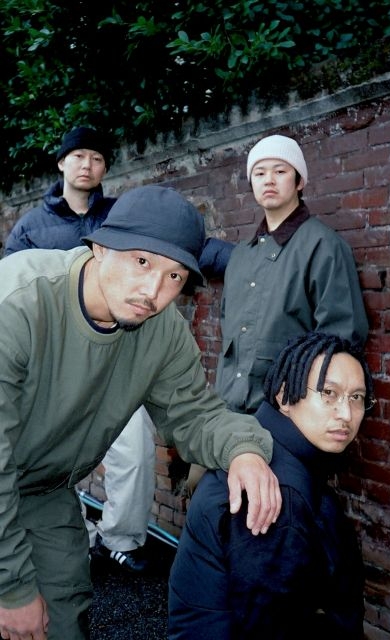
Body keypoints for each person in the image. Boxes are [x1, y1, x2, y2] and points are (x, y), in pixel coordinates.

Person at [0, 184, 281, 640]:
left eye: (174, 276)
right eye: (142, 261)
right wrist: (12, 589)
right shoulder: (17, 302)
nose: (153, 291)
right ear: (99, 247)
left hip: (43, 490)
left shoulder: (161, 330)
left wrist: (244, 450)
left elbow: (195, 414)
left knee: (64, 619)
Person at [4, 125, 156, 574]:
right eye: (78, 156)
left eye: (96, 157)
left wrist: (241, 258)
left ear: (105, 167)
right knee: (51, 454)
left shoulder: (121, 217)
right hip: (52, 362)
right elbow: (12, 291)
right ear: (61, 163)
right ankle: (78, 536)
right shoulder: (32, 227)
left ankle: (121, 539)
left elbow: (167, 255)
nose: (87, 165)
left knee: (136, 448)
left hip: (116, 355)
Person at [187, 133, 369, 491]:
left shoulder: (323, 245)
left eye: (280, 171)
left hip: (284, 418)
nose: (268, 180)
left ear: (299, 181)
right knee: (201, 489)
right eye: (259, 173)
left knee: (264, 507)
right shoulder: (241, 255)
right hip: (228, 411)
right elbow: (230, 337)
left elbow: (342, 339)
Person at [168, 331, 376, 639]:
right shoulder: (276, 499)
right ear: (284, 395)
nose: (346, 414)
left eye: (356, 397)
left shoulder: (265, 443)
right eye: (328, 393)